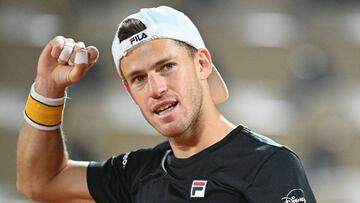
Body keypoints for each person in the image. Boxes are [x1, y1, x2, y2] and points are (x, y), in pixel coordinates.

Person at [17, 6, 317, 203]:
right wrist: (48, 90)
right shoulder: (136, 172)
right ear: (129, 91)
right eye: (138, 79)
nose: (156, 88)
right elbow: (41, 181)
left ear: (202, 64)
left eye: (166, 67)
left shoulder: (267, 165)